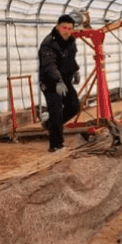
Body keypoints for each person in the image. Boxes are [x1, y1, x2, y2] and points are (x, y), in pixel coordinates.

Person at [38, 14, 81, 152]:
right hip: (50, 83)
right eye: (64, 28)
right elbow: (49, 65)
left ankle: (49, 123)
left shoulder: (71, 41)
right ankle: (56, 145)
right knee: (56, 110)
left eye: (70, 28)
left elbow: (71, 58)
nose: (67, 31)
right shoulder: (48, 43)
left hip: (65, 81)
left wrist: (76, 70)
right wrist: (58, 81)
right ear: (57, 26)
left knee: (74, 106)